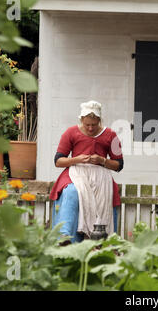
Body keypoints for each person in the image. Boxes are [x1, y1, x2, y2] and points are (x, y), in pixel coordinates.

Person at [49, 100, 124, 244]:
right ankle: (64, 236)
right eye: (87, 124)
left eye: (94, 125)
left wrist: (102, 161)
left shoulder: (111, 135)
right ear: (81, 120)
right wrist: (76, 159)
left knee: (103, 197)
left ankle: (99, 239)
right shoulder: (70, 132)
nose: (90, 128)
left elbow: (119, 165)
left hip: (101, 176)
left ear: (99, 120)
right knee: (71, 192)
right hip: (75, 173)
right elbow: (58, 161)